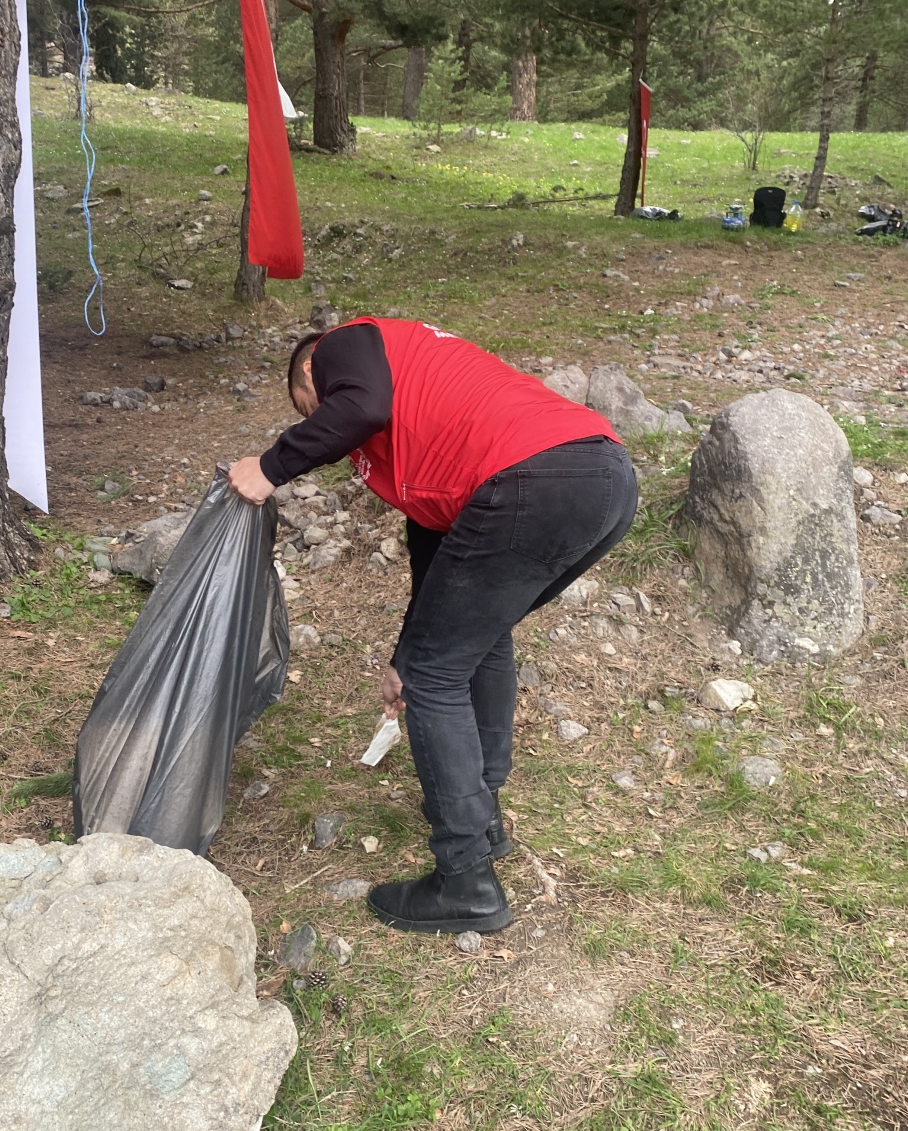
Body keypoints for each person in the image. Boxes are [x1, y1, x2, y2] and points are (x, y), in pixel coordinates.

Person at [228, 317, 638, 934]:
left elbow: (358, 406)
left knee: (437, 677)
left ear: (311, 371)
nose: (323, 426)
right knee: (470, 643)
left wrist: (269, 467)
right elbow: (442, 563)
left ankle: (466, 878)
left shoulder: (346, 346)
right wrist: (405, 654)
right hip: (601, 477)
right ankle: (485, 814)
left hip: (536, 479)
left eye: (310, 408)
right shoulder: (429, 422)